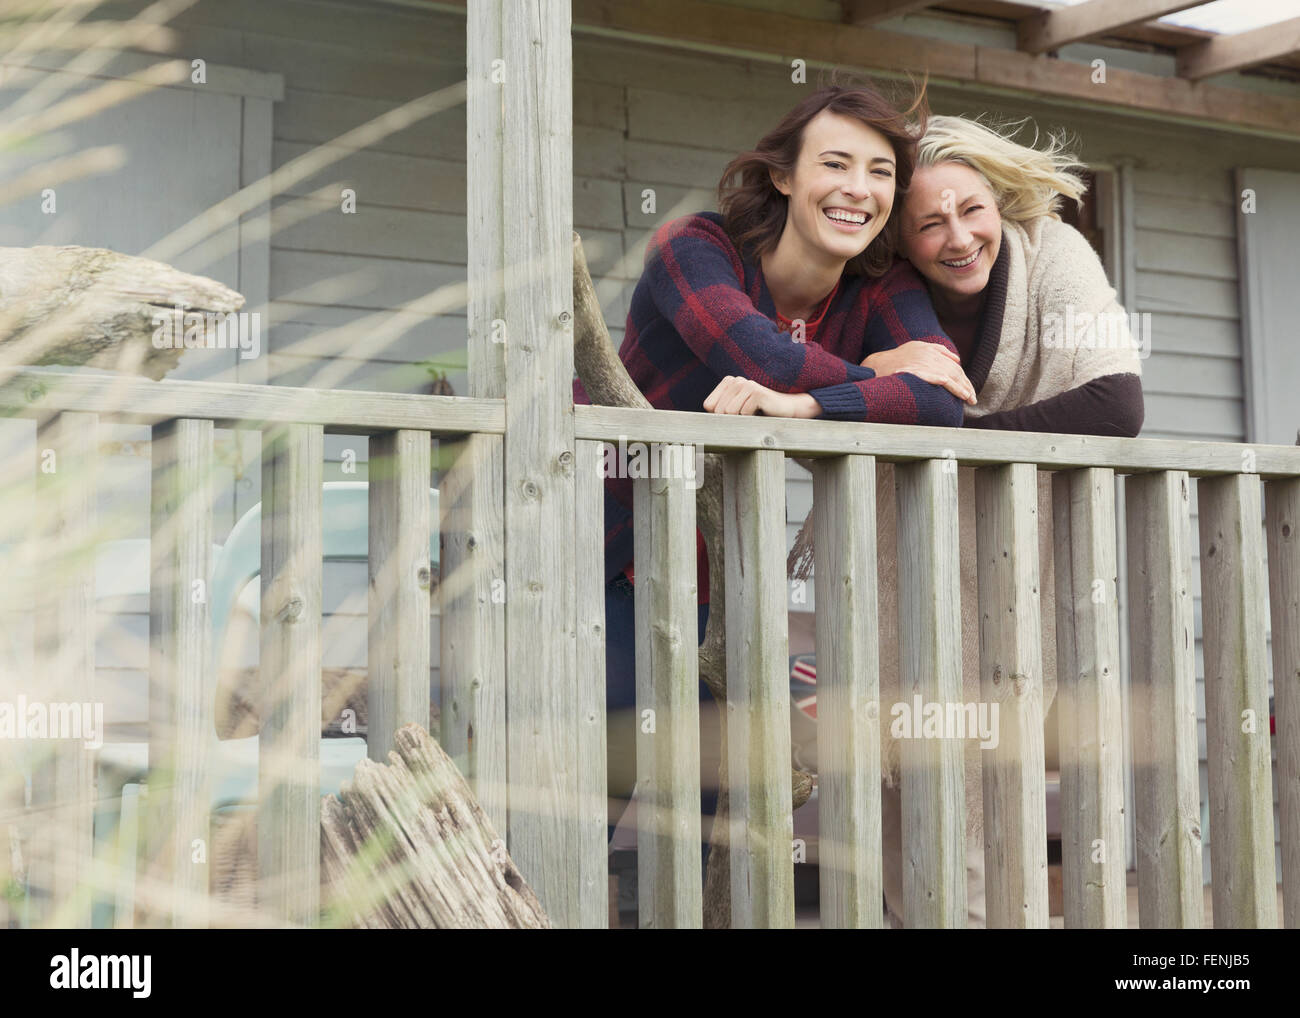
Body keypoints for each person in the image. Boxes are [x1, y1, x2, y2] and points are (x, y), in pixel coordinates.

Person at [573, 81, 975, 864]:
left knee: (711, 819)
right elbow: (754, 354)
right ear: (785, 176)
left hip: (724, 587)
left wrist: (808, 408)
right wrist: (871, 371)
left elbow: (945, 408)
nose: (859, 189)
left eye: (882, 171)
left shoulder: (879, 286)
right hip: (603, 558)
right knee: (579, 800)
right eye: (835, 163)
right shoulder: (694, 248)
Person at [870, 114, 1144, 927]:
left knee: (1004, 757)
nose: (958, 236)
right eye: (929, 222)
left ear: (1000, 202)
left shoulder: (1054, 252)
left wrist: (958, 441)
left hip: (1020, 554)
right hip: (902, 548)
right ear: (902, 239)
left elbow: (1115, 400)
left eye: (972, 210)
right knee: (902, 754)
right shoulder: (880, 288)